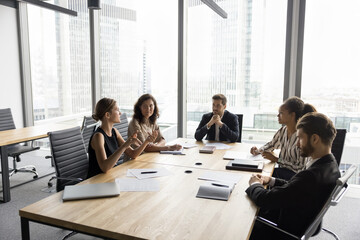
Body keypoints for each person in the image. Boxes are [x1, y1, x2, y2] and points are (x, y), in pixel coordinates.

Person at [246, 112, 340, 239]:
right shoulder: (330, 165)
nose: (297, 144)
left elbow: (265, 200)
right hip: (299, 217)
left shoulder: (311, 176)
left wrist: (255, 184)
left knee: (241, 216)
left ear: (314, 139)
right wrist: (271, 180)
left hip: (282, 231)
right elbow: (296, 188)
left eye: (300, 138)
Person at [87, 98, 157, 178]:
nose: (120, 113)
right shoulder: (98, 136)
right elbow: (104, 167)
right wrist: (124, 146)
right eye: (117, 110)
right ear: (107, 115)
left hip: (110, 177)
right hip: (96, 181)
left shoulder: (114, 131)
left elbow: (132, 154)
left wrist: (146, 141)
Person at [250, 97, 316, 180]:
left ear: (292, 115)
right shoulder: (283, 130)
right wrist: (258, 150)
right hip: (282, 171)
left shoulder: (303, 137)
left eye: (281, 113)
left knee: (263, 174)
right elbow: (272, 144)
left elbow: (300, 168)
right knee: (259, 172)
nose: (278, 115)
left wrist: (277, 160)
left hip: (295, 177)